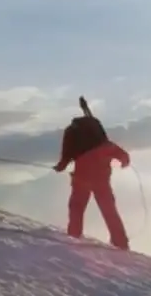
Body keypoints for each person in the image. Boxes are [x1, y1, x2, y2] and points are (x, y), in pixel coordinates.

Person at [54, 96, 131, 250]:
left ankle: (74, 237)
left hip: (82, 178)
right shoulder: (98, 133)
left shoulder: (72, 132)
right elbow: (119, 153)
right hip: (101, 178)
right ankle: (120, 242)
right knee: (109, 210)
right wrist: (124, 160)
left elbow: (65, 158)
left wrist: (59, 167)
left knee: (76, 208)